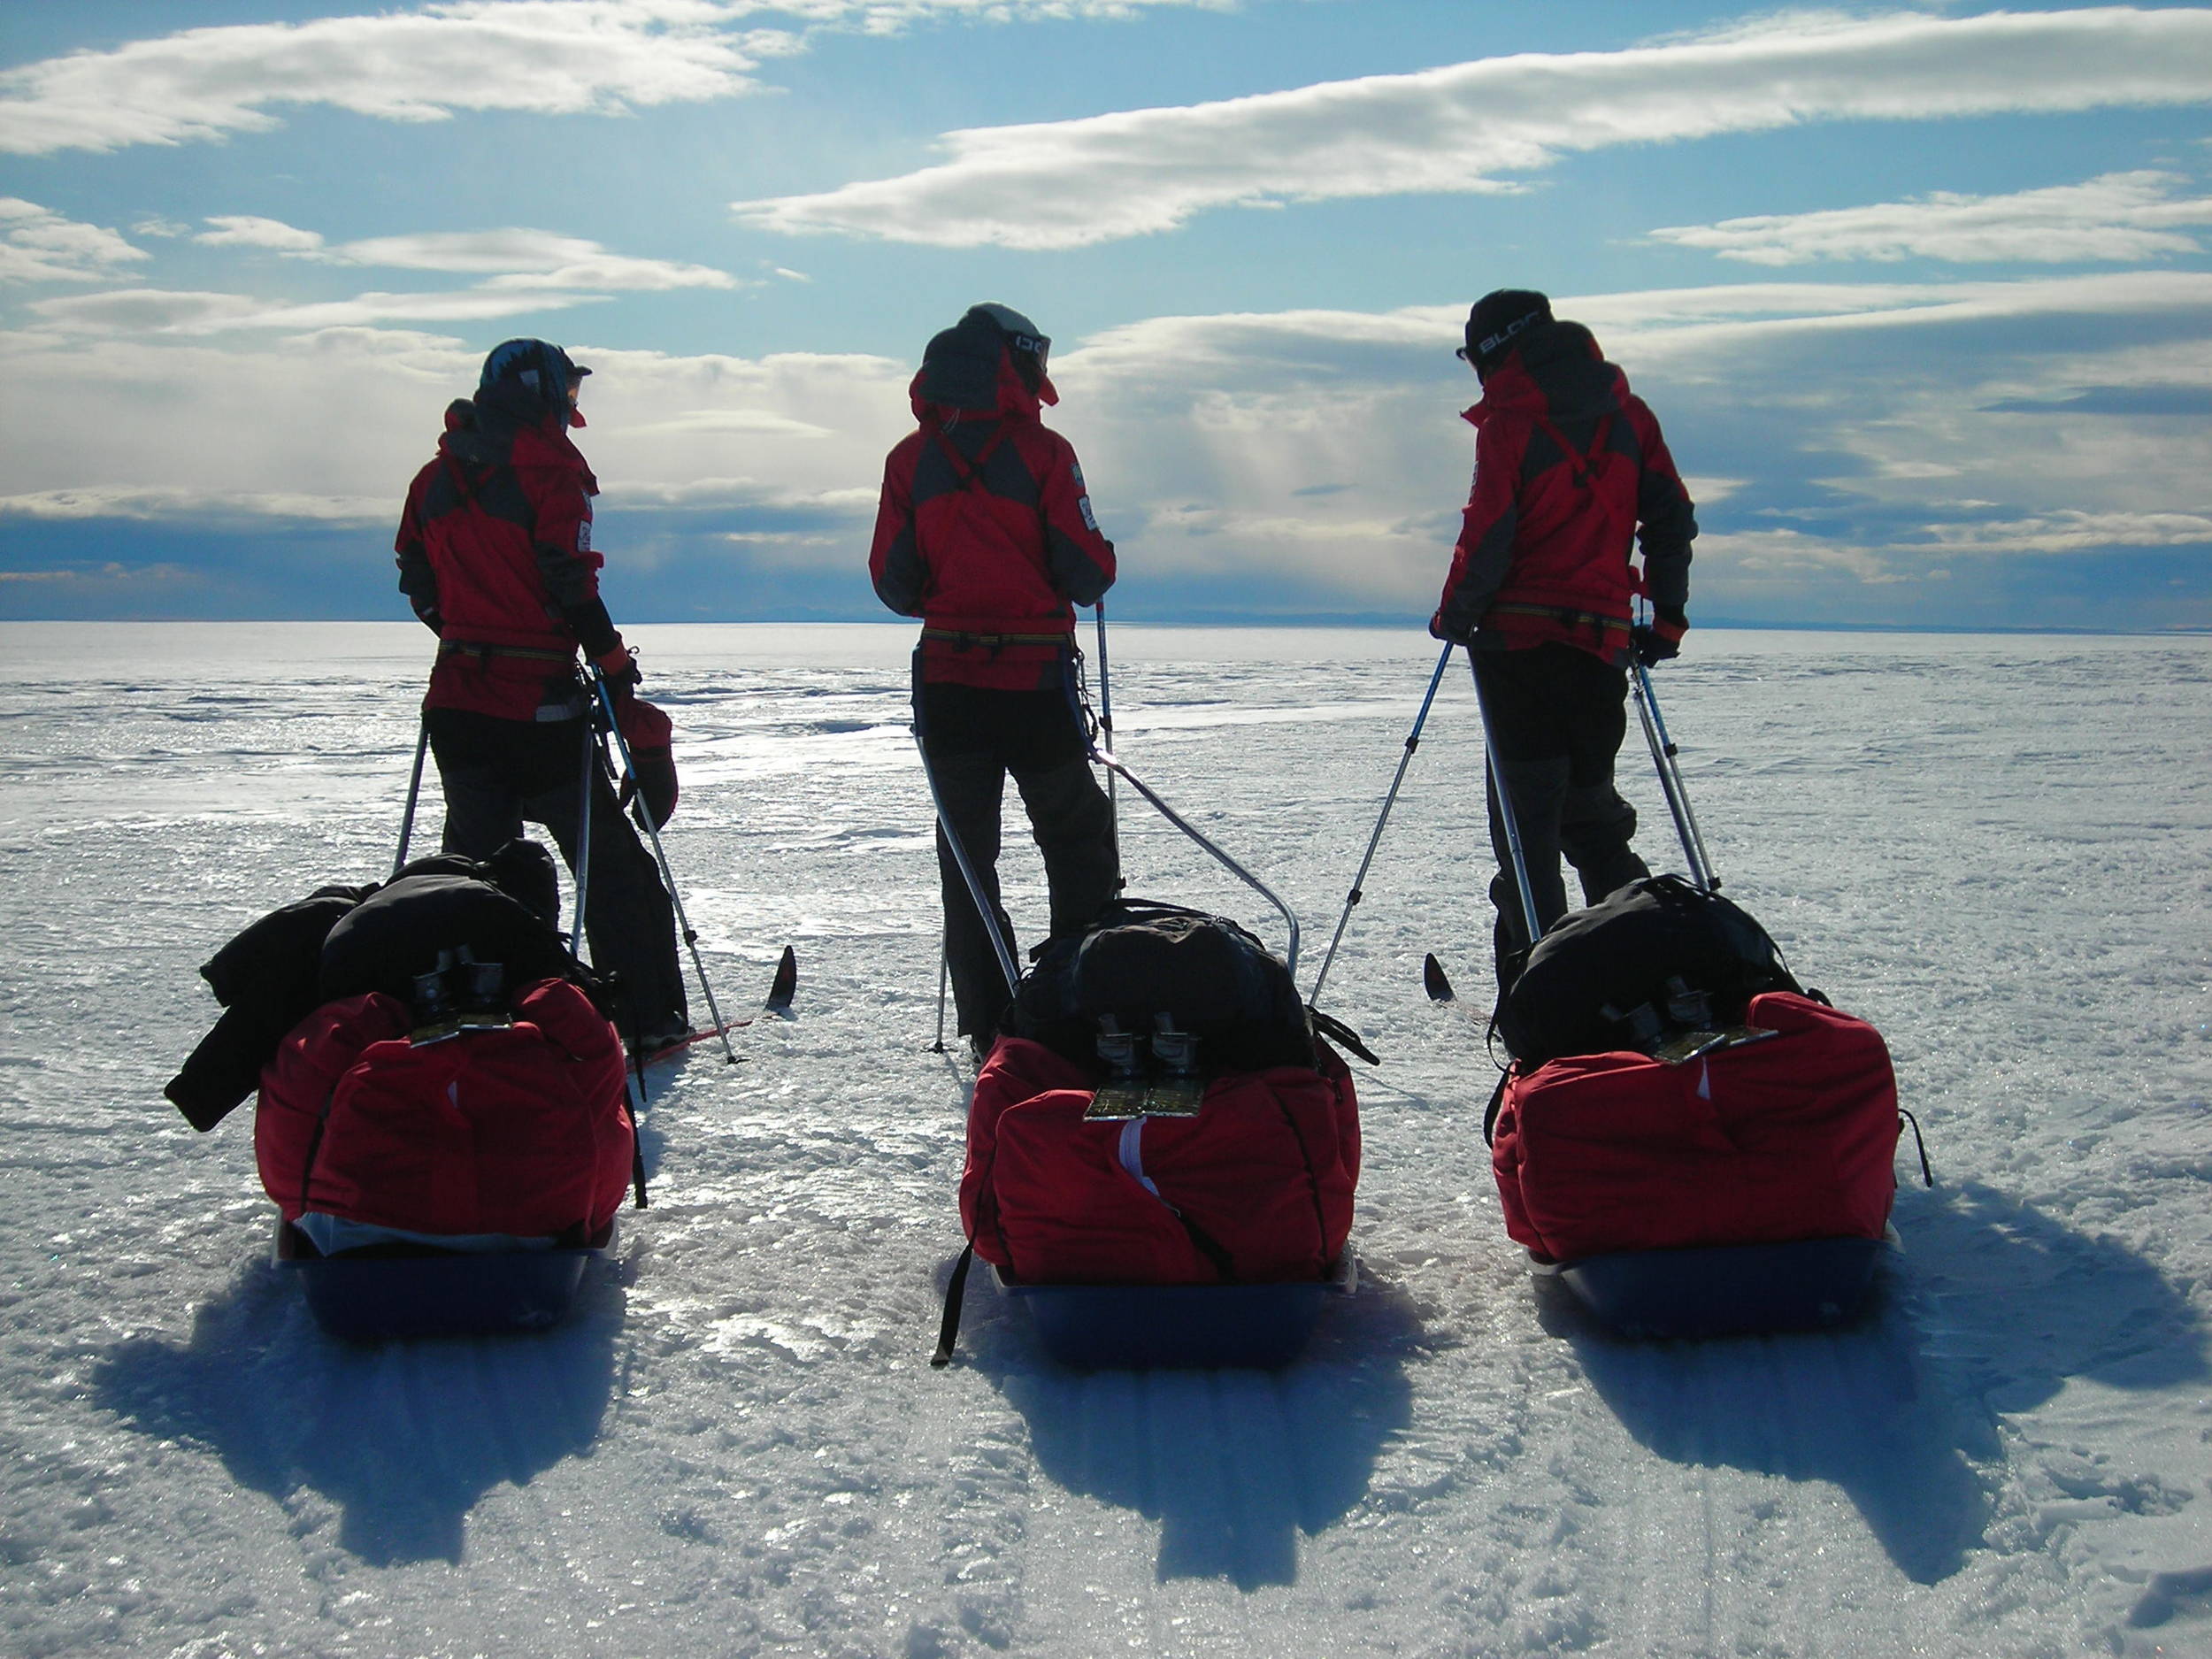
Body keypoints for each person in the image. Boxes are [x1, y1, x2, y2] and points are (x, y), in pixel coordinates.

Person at [393, 337, 688, 1049]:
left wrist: (471, 634)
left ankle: (468, 1012)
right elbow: (569, 581)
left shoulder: (433, 479)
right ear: (545, 395)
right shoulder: (550, 474)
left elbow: (416, 580)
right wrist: (612, 665)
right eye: (568, 394)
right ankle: (645, 1018)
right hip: (540, 711)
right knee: (613, 868)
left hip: (458, 705)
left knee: (473, 873)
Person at [869, 303, 1120, 1060]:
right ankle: (1076, 1000)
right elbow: (1086, 573)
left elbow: (892, 580)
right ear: (1017, 365)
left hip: (948, 685)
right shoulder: (1046, 454)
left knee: (967, 859)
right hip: (1036, 688)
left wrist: (955, 599)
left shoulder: (910, 460)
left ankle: (990, 1026)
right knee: (1076, 833)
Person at [1429, 289, 1699, 991]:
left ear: (1495, 351)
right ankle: (1652, 974)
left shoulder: (1510, 425)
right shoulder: (1628, 418)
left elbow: (1489, 534)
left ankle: (1543, 999)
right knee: (1593, 821)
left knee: (1527, 842)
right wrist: (1665, 618)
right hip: (1600, 651)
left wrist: (1453, 615)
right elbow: (1671, 517)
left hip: (1516, 657)